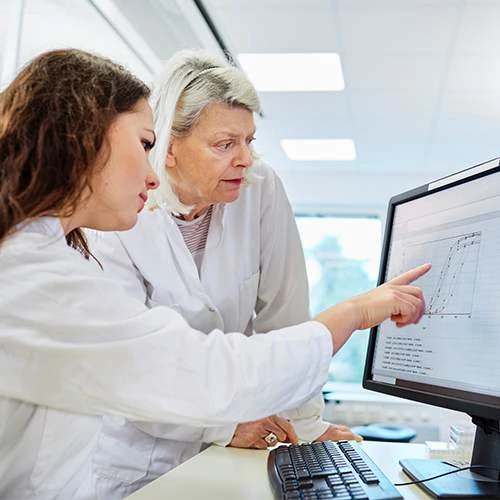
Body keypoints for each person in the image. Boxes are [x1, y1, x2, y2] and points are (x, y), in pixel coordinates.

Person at [0, 48, 429, 500]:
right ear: (85, 140)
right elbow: (198, 372)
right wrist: (353, 313)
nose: (151, 174)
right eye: (145, 145)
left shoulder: (40, 256)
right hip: (127, 463)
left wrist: (304, 424)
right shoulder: (35, 278)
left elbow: (265, 327)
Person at [86, 49, 366, 498]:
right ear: (169, 147)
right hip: (135, 463)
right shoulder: (117, 214)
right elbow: (125, 367)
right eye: (225, 144)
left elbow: (286, 320)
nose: (245, 159)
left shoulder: (260, 189)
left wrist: (307, 427)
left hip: (234, 452)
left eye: (249, 140)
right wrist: (222, 425)